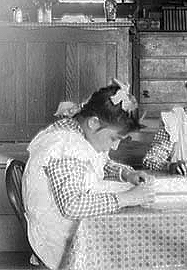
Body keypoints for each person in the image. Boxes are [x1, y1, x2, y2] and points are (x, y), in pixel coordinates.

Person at [22, 80, 156, 270]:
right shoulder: (65, 144)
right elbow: (71, 205)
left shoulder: (81, 133)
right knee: (130, 246)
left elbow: (99, 163)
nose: (114, 146)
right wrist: (124, 199)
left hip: (70, 222)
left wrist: (126, 173)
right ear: (93, 122)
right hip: (58, 233)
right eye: (113, 138)